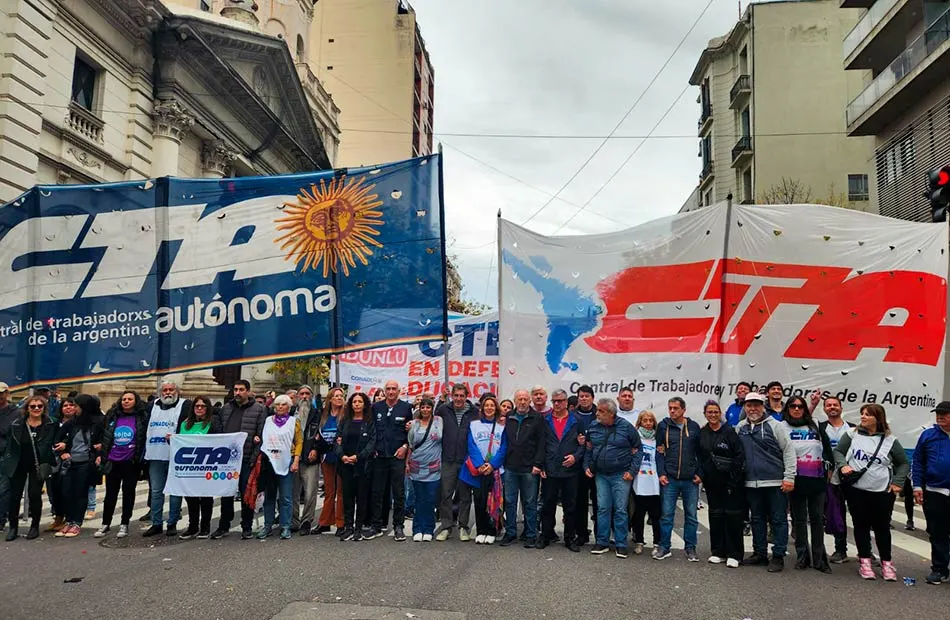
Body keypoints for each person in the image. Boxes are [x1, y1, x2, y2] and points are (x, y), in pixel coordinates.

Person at [834, 403, 908, 581]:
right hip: (858, 490)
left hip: (882, 491)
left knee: (882, 528)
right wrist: (843, 465)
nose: (863, 417)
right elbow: (838, 451)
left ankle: (887, 563)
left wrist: (898, 482)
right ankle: (865, 561)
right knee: (861, 526)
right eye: (862, 414)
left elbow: (903, 463)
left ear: (878, 418)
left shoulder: (890, 440)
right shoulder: (851, 434)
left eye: (867, 414)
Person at [735, 392, 796, 572]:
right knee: (757, 519)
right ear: (745, 407)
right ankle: (759, 553)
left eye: (756, 405)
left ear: (763, 406)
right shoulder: (740, 428)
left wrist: (789, 477)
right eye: (749, 405)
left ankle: (778, 555)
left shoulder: (776, 426)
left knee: (778, 520)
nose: (753, 409)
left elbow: (789, 451)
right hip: (751, 484)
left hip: (775, 482)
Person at [584, 398, 642, 558]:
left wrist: (632, 471)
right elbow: (588, 449)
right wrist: (586, 466)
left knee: (620, 510)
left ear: (610, 413)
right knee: (602, 508)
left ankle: (621, 544)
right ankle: (602, 542)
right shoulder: (593, 426)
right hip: (601, 475)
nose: (597, 414)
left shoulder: (626, 427)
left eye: (600, 411)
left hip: (621, 475)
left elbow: (638, 449)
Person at [781, 396, 833, 573]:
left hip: (817, 479)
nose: (796, 409)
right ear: (787, 408)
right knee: (800, 520)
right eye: (793, 406)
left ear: (804, 408)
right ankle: (802, 556)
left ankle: (820, 559)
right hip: (796, 479)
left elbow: (827, 448)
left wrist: (830, 469)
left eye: (800, 406)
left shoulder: (815, 425)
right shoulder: (782, 427)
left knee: (818, 519)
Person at [211, 380, 267, 540]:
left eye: (241, 390)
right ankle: (224, 526)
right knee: (226, 494)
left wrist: (254, 458)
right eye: (235, 389)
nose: (237, 392)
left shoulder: (259, 410)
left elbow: (260, 435)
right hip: (228, 461)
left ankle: (246, 526)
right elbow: (220, 432)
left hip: (247, 459)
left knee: (246, 494)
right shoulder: (226, 409)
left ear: (248, 391)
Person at [94, 391, 148, 539]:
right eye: (124, 399)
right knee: (110, 494)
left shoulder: (141, 417)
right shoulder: (113, 415)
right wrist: (102, 455)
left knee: (128, 493)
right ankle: (105, 523)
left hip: (131, 462)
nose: (126, 401)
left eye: (130, 399)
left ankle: (124, 524)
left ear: (135, 401)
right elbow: (105, 436)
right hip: (113, 461)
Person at [654, 397, 702, 562]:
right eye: (670, 408)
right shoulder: (663, 426)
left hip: (690, 480)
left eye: (675, 408)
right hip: (670, 478)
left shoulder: (694, 427)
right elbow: (659, 451)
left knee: (691, 515)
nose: (672, 411)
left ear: (683, 410)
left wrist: (700, 473)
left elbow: (701, 453)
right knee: (666, 514)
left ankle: (690, 548)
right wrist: (661, 473)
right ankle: (664, 546)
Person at [697, 401, 745, 568]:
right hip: (711, 482)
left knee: (732, 517)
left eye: (716, 412)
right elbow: (701, 457)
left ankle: (735, 554)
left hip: (731, 482)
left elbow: (739, 456)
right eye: (709, 412)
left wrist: (734, 479)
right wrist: (702, 476)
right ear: (705, 414)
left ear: (720, 413)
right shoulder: (703, 433)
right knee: (716, 516)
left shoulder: (729, 432)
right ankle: (718, 551)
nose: (713, 415)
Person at [2, 396, 55, 540]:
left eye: (39, 406)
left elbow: (57, 440)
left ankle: (34, 526)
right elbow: (10, 445)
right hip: (18, 465)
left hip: (38, 465)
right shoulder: (17, 424)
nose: (36, 408)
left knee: (34, 495)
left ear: (44, 408)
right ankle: (13, 528)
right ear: (27, 409)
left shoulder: (50, 424)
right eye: (33, 406)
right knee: (14, 497)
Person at [143, 380, 190, 538]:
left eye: (171, 389)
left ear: (177, 391)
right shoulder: (151, 406)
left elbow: (189, 426)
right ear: (160, 392)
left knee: (175, 491)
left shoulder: (185, 405)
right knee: (156, 491)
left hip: (175, 455)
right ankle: (156, 523)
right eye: (165, 390)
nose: (168, 392)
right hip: (155, 455)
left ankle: (172, 523)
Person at [51, 394, 103, 538]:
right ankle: (69, 521)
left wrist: (100, 451)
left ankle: (76, 523)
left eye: (76, 406)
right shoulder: (72, 422)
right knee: (66, 492)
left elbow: (106, 439)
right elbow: (57, 437)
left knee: (80, 493)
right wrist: (63, 450)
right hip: (70, 463)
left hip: (86, 463)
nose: (74, 408)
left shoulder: (98, 422)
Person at [539, 389, 584, 551]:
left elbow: (583, 444)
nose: (557, 404)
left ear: (566, 402)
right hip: (550, 469)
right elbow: (541, 444)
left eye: (560, 401)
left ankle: (569, 538)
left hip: (570, 470)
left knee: (570, 506)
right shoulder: (545, 420)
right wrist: (542, 465)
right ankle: (545, 535)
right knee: (547, 505)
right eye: (554, 401)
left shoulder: (576, 420)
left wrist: (575, 457)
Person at [500, 388, 545, 548]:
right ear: (515, 400)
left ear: (530, 401)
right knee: (510, 502)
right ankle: (510, 533)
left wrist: (538, 464)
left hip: (529, 468)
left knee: (530, 503)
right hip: (511, 467)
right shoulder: (509, 417)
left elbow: (542, 443)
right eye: (520, 399)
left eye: (525, 399)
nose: (523, 402)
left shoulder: (537, 418)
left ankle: (531, 534)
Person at [367, 380, 412, 541]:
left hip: (397, 456)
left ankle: (398, 526)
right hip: (379, 456)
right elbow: (370, 430)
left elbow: (410, 432)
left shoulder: (406, 408)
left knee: (399, 493)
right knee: (377, 492)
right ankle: (376, 525)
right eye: (388, 389)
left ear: (399, 391)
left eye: (394, 389)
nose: (391, 391)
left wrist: (405, 447)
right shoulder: (376, 408)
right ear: (384, 391)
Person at [912, 401, 950, 585]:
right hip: (935, 491)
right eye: (938, 413)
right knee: (938, 531)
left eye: (945, 413)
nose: (940, 416)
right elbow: (918, 461)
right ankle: (940, 569)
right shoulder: (928, 435)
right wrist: (917, 486)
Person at [461, 396, 507, 544]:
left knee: (494, 501)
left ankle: (492, 529)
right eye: (486, 405)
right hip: (478, 469)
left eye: (492, 406)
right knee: (480, 501)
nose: (489, 408)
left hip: (494, 470)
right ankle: (481, 530)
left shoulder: (502, 426)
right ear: (482, 408)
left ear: (496, 408)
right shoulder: (474, 425)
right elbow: (471, 445)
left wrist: (492, 465)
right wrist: (480, 464)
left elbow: (504, 448)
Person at [435, 383, 477, 541]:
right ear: (452, 395)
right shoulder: (444, 410)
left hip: (466, 460)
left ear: (466, 396)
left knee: (465, 496)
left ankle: (463, 526)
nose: (459, 399)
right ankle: (446, 526)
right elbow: (433, 423)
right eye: (456, 395)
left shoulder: (474, 412)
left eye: (462, 396)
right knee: (445, 494)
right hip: (448, 459)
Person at [257, 395, 302, 540]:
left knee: (286, 497)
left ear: (289, 407)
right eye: (277, 404)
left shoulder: (294, 422)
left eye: (283, 404)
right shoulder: (268, 421)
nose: (280, 407)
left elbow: (299, 442)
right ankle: (268, 526)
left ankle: (285, 526)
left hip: (287, 461)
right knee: (269, 497)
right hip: (269, 463)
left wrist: (296, 461)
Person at [175, 396, 221, 539]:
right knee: (190, 498)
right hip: (188, 467)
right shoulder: (184, 423)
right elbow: (179, 444)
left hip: (206, 466)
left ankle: (205, 527)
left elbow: (219, 441)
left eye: (203, 406)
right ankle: (192, 526)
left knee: (206, 497)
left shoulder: (213, 422)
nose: (200, 408)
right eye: (197, 406)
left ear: (208, 408)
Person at [336, 392, 376, 541]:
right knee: (347, 497)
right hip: (346, 464)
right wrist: (342, 456)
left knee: (361, 498)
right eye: (354, 402)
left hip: (362, 465)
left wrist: (358, 457)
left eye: (360, 402)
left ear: (364, 404)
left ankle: (358, 528)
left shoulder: (369, 422)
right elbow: (337, 440)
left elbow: (372, 442)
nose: (357, 404)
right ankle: (348, 528)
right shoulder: (345, 421)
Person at [818, 396, 853, 564]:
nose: (832, 407)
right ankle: (841, 550)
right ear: (824, 409)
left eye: (835, 405)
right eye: (828, 405)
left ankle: (865, 551)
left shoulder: (853, 428)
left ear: (841, 407)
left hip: (852, 476)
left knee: (861, 516)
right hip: (831, 477)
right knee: (836, 513)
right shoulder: (820, 427)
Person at [306, 386, 345, 535]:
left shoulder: (346, 415)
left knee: (341, 491)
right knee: (329, 491)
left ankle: (341, 523)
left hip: (341, 456)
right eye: (336, 396)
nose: (339, 398)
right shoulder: (323, 415)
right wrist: (315, 448)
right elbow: (317, 435)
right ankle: (325, 522)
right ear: (330, 399)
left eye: (341, 395)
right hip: (326, 456)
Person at [408, 397, 443, 541]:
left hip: (433, 466)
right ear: (419, 408)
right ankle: (417, 529)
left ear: (432, 408)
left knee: (430, 499)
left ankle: (428, 528)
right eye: (423, 407)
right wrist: (407, 463)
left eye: (428, 407)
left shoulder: (439, 421)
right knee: (418, 499)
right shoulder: (414, 424)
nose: (426, 410)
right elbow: (410, 444)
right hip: (417, 465)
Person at [630, 411, 661, 556]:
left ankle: (657, 542)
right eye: (645, 420)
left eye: (650, 420)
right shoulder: (635, 438)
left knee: (656, 515)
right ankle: (639, 541)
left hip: (654, 481)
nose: (648, 423)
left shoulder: (658, 439)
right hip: (639, 480)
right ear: (640, 422)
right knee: (639, 514)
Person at [46, 397, 79, 533]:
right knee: (53, 490)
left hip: (72, 460)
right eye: (65, 405)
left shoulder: (79, 423)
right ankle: (58, 517)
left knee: (67, 491)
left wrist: (66, 446)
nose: (68, 408)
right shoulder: (54, 422)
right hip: (54, 460)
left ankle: (70, 518)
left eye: (71, 405)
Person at [292, 385, 321, 534]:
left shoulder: (318, 413)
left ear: (311, 396)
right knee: (293, 492)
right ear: (297, 396)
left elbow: (321, 434)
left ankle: (306, 521)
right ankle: (294, 520)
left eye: (307, 394)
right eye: (301, 393)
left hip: (310, 457)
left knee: (310, 492)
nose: (304, 396)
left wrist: (316, 448)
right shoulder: (290, 413)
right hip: (292, 458)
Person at [573, 385, 598, 546]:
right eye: (581, 396)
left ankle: (600, 535)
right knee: (580, 502)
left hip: (597, 464)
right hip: (579, 465)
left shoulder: (600, 414)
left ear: (592, 398)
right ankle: (581, 533)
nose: (583, 398)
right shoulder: (573, 416)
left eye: (586, 396)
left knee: (599, 502)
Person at [0, 381, 17, 531]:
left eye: (1, 393)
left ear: (6, 393)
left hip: (5, 455)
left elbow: (8, 430)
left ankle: (1, 519)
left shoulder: (14, 412)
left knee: (3, 489)